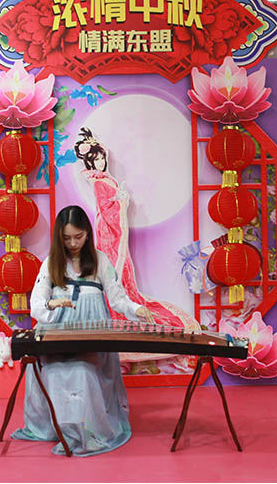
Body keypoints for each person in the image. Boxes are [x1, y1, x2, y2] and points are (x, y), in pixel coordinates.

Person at [11, 205, 154, 457]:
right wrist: (52, 304)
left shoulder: (100, 261)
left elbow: (118, 299)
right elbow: (37, 304)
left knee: (83, 372)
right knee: (57, 373)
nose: (73, 243)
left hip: (92, 338)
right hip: (57, 338)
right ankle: (64, 429)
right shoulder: (51, 264)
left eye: (78, 236)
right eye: (66, 238)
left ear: (87, 233)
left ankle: (83, 433)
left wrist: (137, 309)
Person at [74, 128, 202, 370]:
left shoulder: (104, 179)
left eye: (102, 158)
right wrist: (121, 202)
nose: (100, 162)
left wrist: (120, 201)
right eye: (96, 159)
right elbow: (106, 212)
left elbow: (109, 207)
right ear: (89, 162)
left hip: (112, 233)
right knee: (113, 275)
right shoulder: (98, 182)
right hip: (108, 234)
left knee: (121, 276)